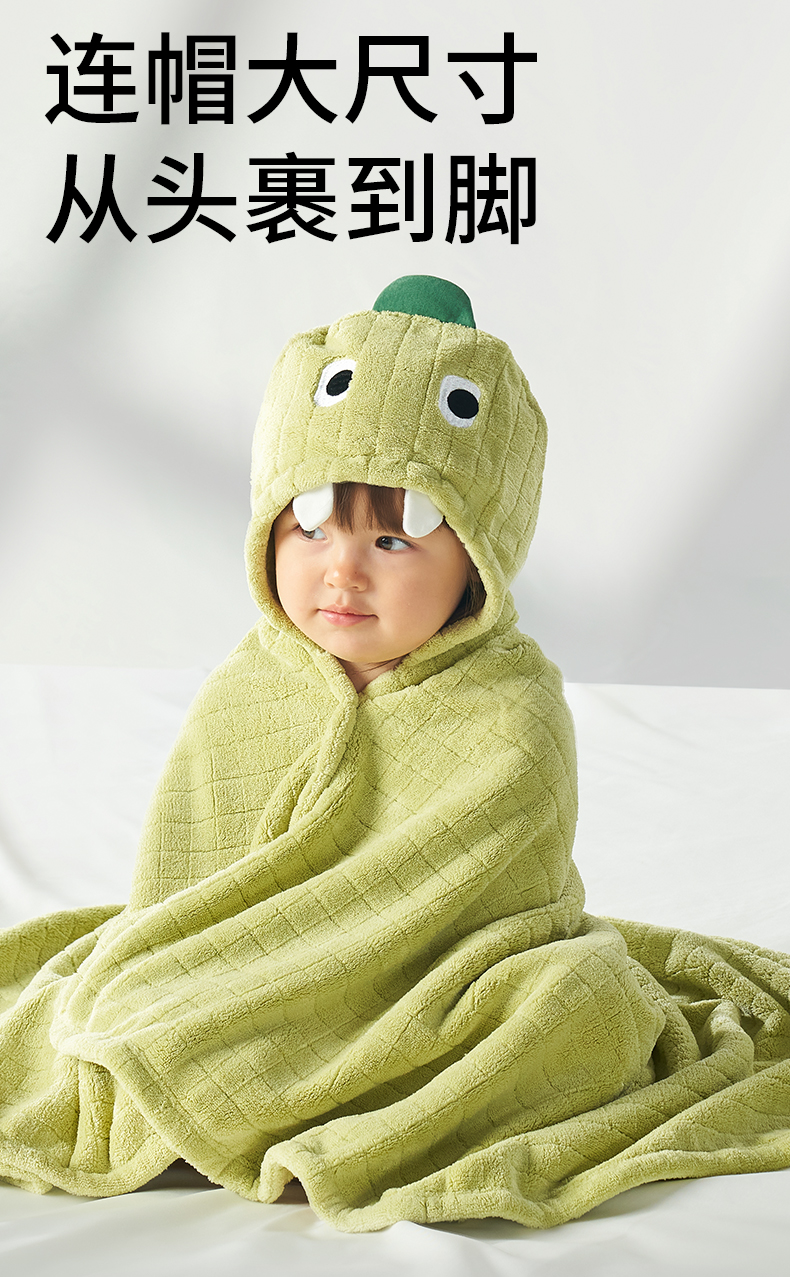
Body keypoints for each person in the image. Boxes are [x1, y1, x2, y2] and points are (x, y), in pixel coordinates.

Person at [1, 276, 790, 1232]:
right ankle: (226, 1090)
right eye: (312, 525)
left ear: (477, 559)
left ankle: (366, 1125)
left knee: (580, 1003)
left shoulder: (512, 707)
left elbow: (494, 891)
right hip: (253, 980)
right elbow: (190, 896)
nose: (343, 569)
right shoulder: (253, 687)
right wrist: (218, 978)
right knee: (121, 998)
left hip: (443, 988)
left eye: (394, 538)